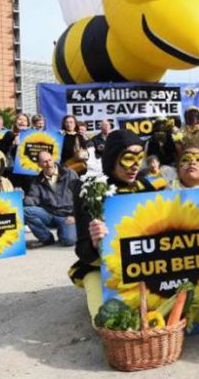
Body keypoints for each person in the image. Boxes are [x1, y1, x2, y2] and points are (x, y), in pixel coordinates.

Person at [68, 130, 165, 322]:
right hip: (99, 265)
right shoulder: (90, 189)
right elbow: (83, 250)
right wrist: (95, 242)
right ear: (112, 158)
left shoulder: (146, 186)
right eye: (128, 158)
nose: (135, 166)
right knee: (107, 321)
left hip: (142, 263)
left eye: (139, 158)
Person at [23, 150, 78, 247]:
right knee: (26, 211)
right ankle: (46, 238)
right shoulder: (37, 180)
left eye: (50, 160)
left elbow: (80, 196)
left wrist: (74, 215)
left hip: (67, 215)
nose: (48, 164)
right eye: (44, 162)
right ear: (39, 164)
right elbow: (33, 199)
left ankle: (64, 231)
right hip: (49, 214)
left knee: (68, 241)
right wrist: (23, 198)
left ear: (54, 160)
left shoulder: (70, 174)